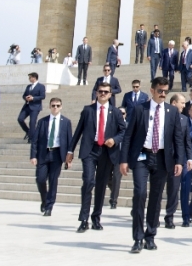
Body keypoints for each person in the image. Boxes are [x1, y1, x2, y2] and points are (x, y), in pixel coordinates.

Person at [119, 77, 188, 253]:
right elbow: (128, 136)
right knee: (140, 193)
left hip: (162, 158)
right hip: (142, 155)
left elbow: (178, 138)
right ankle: (137, 238)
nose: (163, 94)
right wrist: (124, 159)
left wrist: (179, 161)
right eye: (160, 91)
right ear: (152, 90)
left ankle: (150, 235)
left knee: (156, 198)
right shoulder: (139, 109)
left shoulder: (172, 111)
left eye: (165, 91)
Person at [67, 81, 126, 233]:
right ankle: (83, 219)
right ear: (96, 92)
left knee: (100, 185)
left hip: (107, 152)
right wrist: (70, 151)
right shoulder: (88, 110)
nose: (103, 94)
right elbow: (78, 131)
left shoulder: (116, 112)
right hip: (90, 150)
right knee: (88, 181)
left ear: (110, 94)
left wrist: (114, 140)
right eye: (100, 91)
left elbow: (124, 131)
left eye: (106, 92)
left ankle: (96, 217)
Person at [30, 97, 73, 216]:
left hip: (57, 154)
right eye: (53, 105)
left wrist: (69, 159)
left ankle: (49, 206)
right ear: (49, 106)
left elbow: (70, 142)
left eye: (58, 105)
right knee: (40, 179)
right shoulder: (42, 121)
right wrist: (33, 156)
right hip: (43, 154)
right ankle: (44, 199)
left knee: (53, 181)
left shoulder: (66, 122)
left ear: (61, 107)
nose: (55, 108)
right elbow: (35, 140)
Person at [163, 93, 192, 229]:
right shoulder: (162, 115)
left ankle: (169, 216)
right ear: (174, 103)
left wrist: (189, 158)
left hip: (177, 160)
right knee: (157, 189)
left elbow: (187, 141)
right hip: (161, 158)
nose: (184, 105)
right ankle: (154, 215)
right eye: (182, 103)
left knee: (174, 190)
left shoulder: (184, 119)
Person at [18, 72, 46, 143]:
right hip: (27, 106)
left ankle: (31, 138)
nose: (29, 79)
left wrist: (33, 98)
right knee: (20, 119)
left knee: (32, 122)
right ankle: (28, 131)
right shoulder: (28, 86)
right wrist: (26, 98)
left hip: (35, 106)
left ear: (34, 77)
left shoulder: (41, 86)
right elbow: (24, 95)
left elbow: (42, 96)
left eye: (30, 77)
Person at [108, 107, 128, 209]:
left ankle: (113, 200)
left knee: (116, 178)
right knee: (107, 177)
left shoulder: (129, 126)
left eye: (123, 113)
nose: (121, 115)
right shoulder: (112, 124)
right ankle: (115, 191)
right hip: (111, 154)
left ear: (126, 114)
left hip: (121, 156)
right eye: (119, 113)